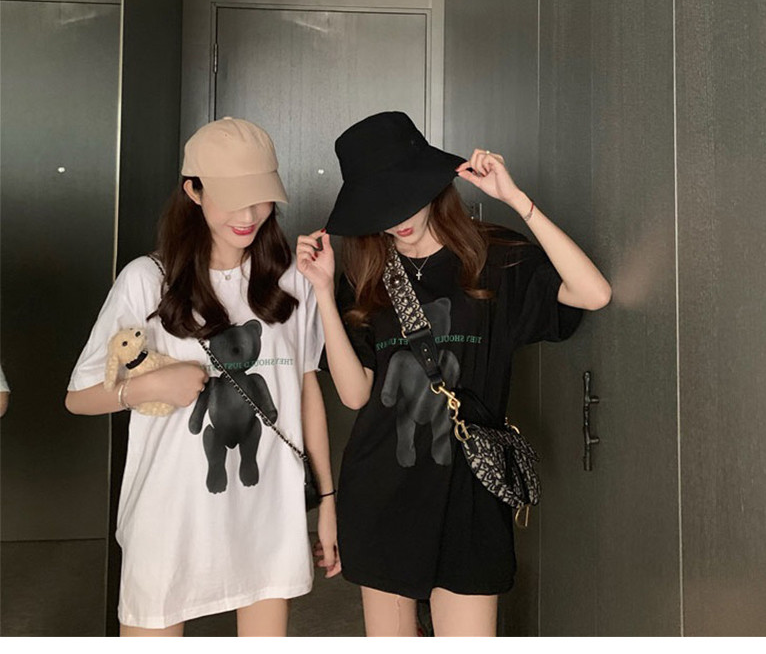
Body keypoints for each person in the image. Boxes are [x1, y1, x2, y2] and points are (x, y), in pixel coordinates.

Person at [296, 111, 611, 637]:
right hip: (382, 494)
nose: (397, 218)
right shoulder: (365, 277)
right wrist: (324, 293)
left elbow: (593, 293)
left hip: (470, 494)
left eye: (406, 196)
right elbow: (354, 395)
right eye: (380, 206)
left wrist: (518, 200)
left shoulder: (493, 258)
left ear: (431, 182)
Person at [66, 117, 339, 636]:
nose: (248, 215)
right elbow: (78, 396)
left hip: (267, 513)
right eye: (232, 198)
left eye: (260, 198)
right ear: (193, 191)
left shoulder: (290, 280)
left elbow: (307, 392)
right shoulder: (147, 280)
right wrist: (146, 387)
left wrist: (327, 501)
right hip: (169, 517)